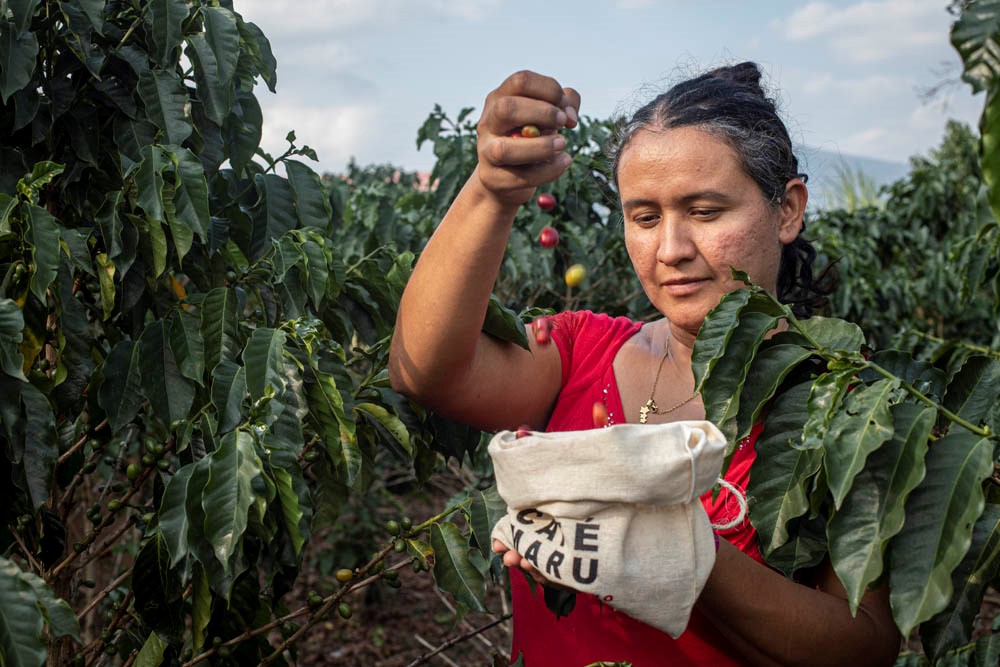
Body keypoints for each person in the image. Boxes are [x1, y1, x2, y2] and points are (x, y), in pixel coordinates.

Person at [388, 62, 901, 666]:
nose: (671, 249)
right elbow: (426, 371)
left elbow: (863, 646)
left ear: (787, 210)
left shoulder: (851, 405)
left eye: (706, 211)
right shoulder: (582, 352)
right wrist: (492, 188)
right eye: (645, 217)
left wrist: (678, 552)